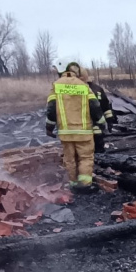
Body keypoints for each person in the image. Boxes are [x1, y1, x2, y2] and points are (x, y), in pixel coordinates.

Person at [46, 62, 106, 191]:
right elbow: (95, 106)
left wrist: (49, 128)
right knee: (85, 158)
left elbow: (51, 109)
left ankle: (72, 183)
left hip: (65, 132)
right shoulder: (83, 86)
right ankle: (84, 184)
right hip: (84, 132)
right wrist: (101, 123)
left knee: (69, 159)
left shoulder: (56, 86)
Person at [86, 76, 117, 155]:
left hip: (81, 129)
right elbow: (106, 107)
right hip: (97, 126)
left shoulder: (76, 90)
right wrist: (110, 122)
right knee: (98, 151)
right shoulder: (98, 89)